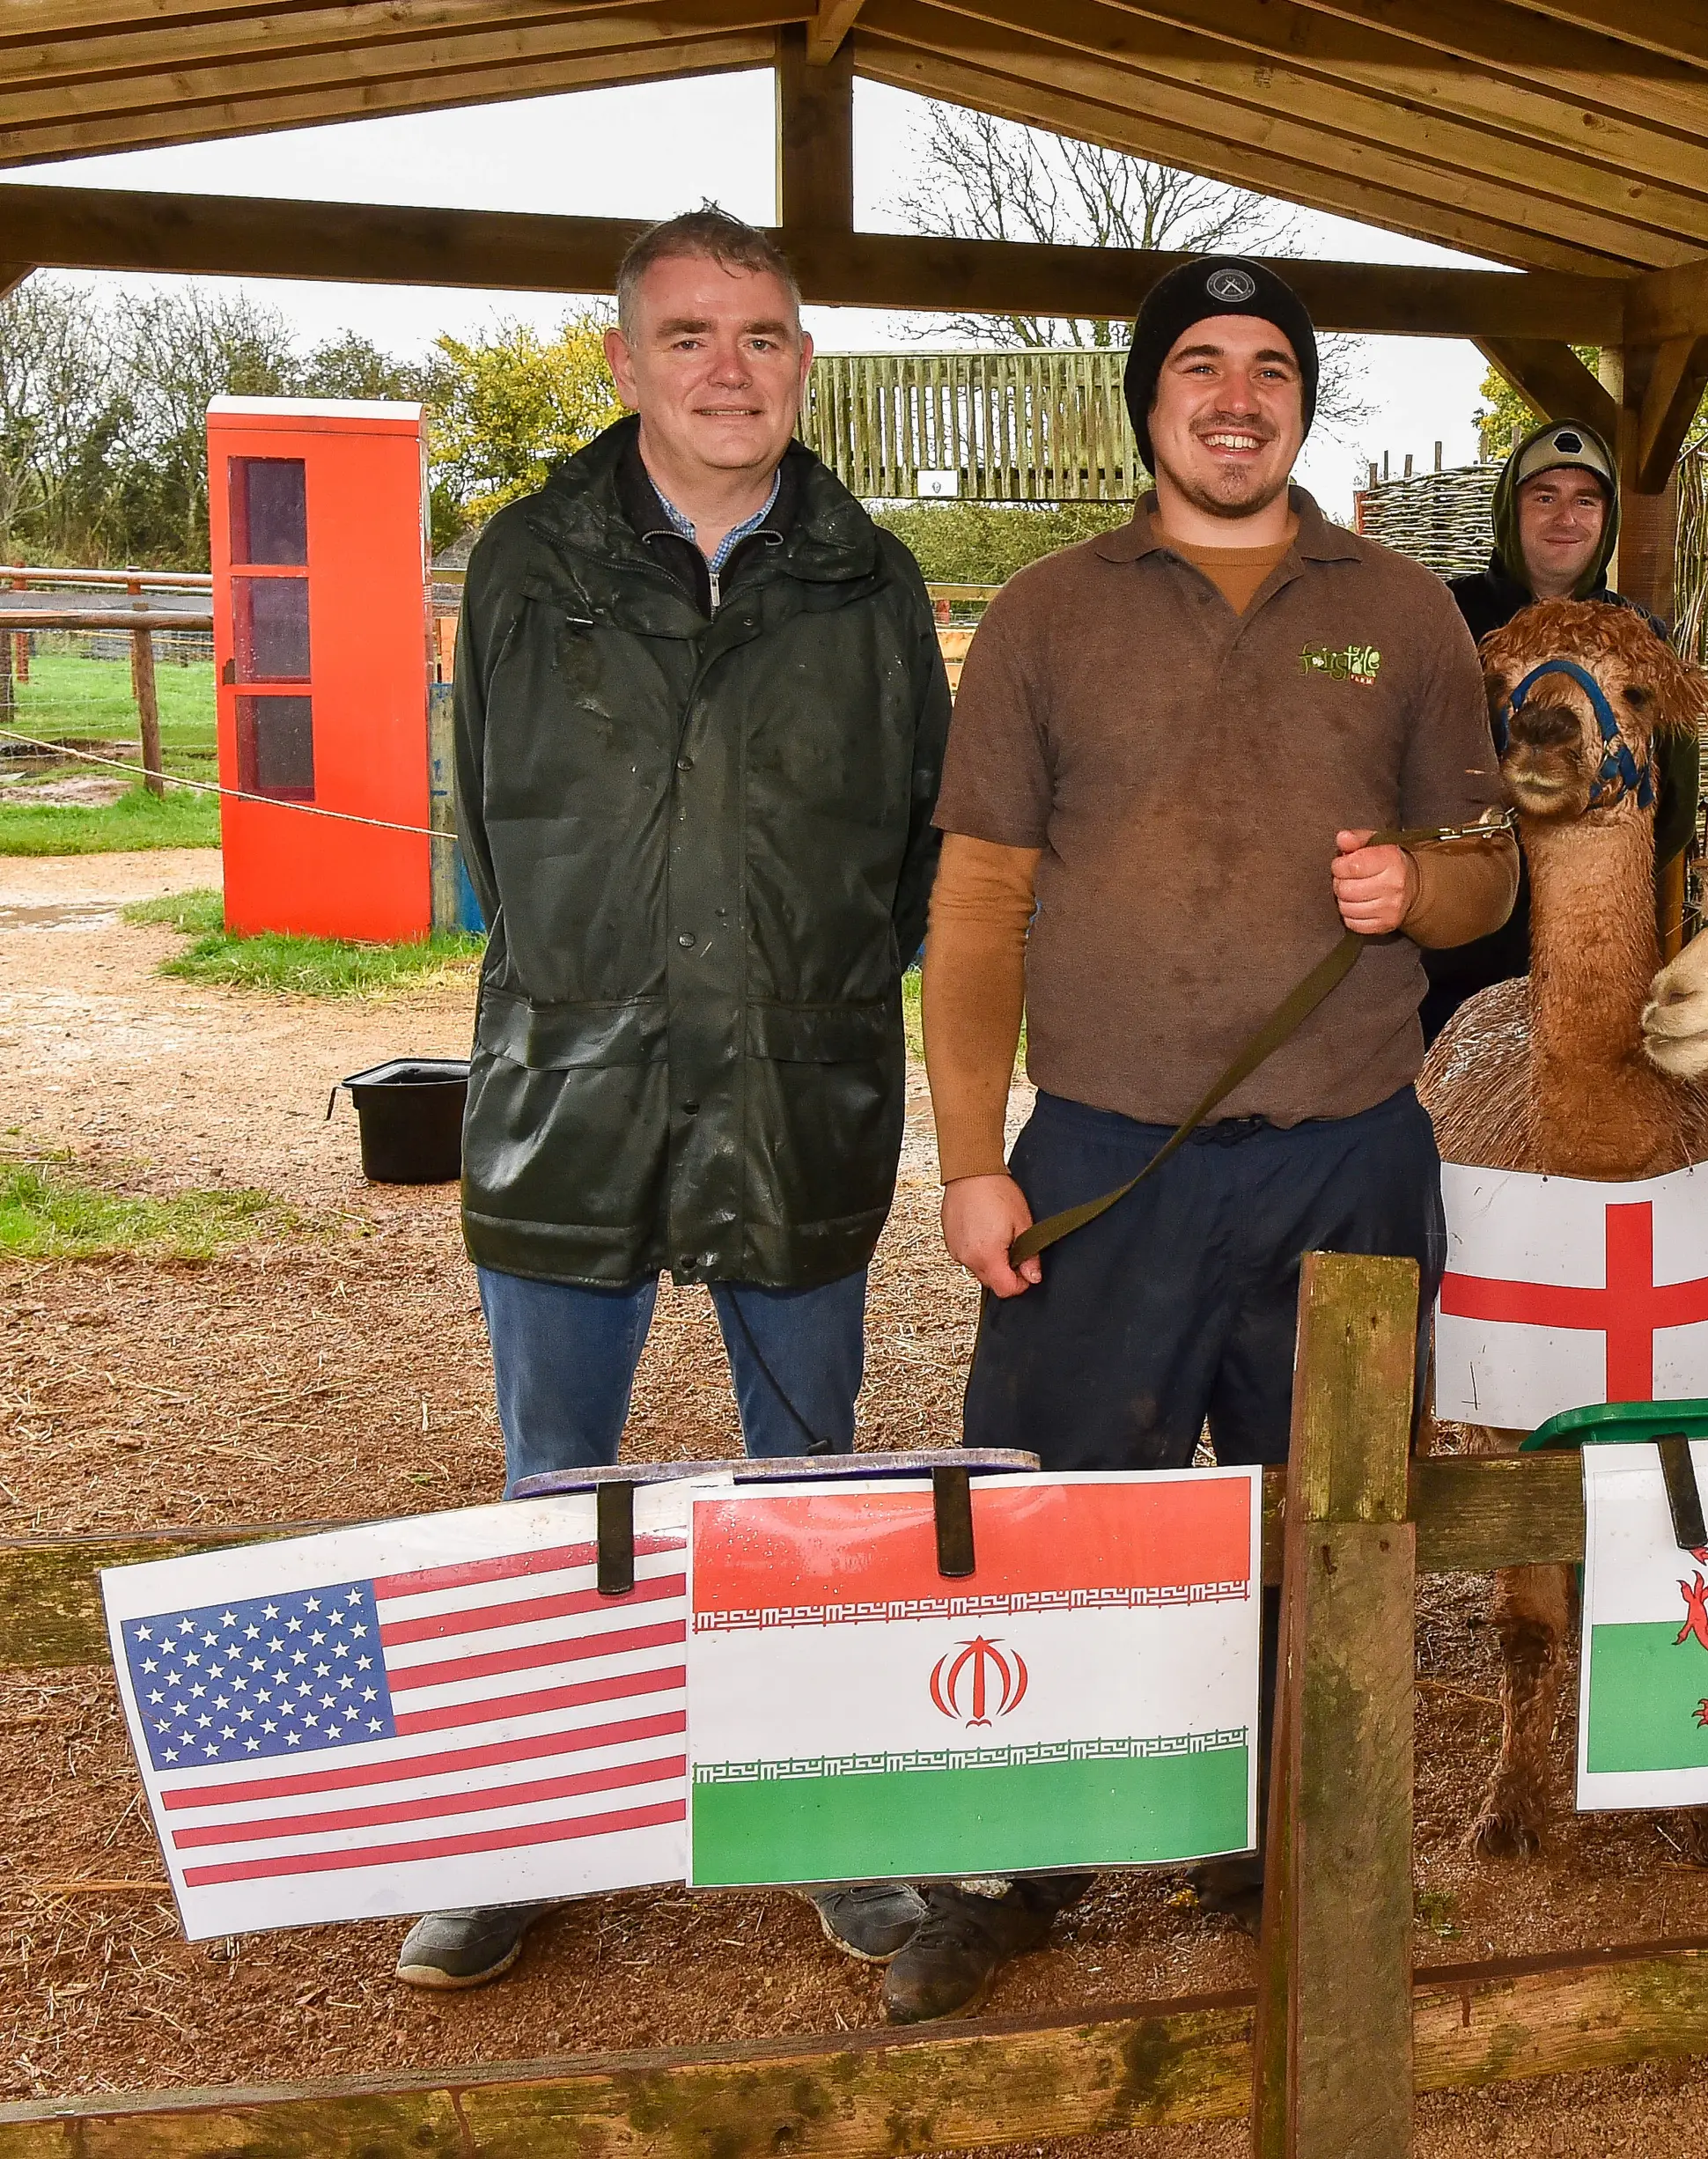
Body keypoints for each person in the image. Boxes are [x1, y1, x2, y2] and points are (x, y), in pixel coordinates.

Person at [906, 254, 1513, 2023]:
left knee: (1330, 1515)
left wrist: (1432, 879)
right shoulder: (1045, 615)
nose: (1235, 395)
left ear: (1303, 402)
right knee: (1055, 1516)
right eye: (1200, 365)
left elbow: (1490, 856)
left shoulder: (1401, 612)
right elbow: (976, 905)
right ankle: (1023, 1854)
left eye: (1268, 366)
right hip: (1107, 1156)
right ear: (1149, 400)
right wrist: (968, 1156)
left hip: (1347, 1151)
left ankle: (1280, 1838)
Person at [421, 208, 949, 1990]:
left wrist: (802, 989)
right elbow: (482, 830)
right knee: (552, 1480)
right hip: (568, 1089)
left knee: (808, 1466)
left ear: (806, 359)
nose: (733, 368)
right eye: (694, 334)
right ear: (624, 357)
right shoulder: (525, 560)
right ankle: (522, 1828)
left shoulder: (867, 580)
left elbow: (914, 847)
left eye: (768, 335)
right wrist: (589, 981)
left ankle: (835, 1819)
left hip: (802, 1085)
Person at [1421, 418, 1702, 1039]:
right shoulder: (1442, 619)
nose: (1564, 518)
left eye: (1586, 500)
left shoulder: (1640, 636)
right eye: (1543, 497)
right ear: (1511, 508)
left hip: (1587, 951)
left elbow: (1675, 800)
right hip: (1453, 956)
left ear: (1606, 519)